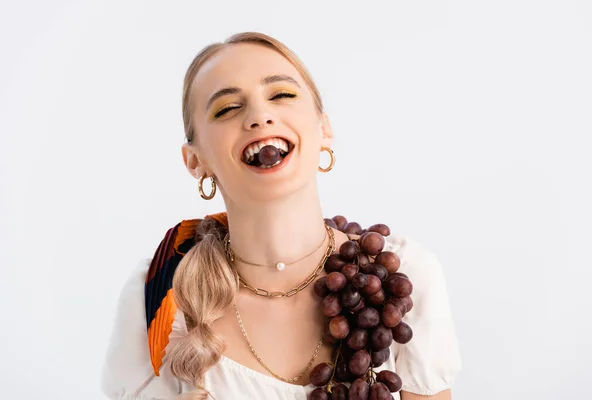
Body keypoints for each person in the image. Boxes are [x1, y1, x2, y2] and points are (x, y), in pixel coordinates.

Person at [100, 32, 461, 400]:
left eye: (281, 95)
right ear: (196, 161)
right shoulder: (160, 296)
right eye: (226, 109)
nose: (259, 116)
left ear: (323, 128)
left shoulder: (403, 278)